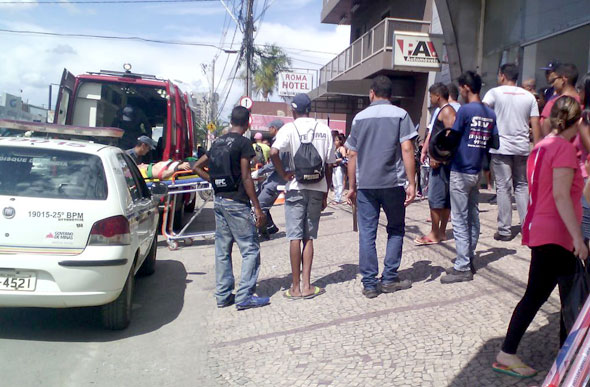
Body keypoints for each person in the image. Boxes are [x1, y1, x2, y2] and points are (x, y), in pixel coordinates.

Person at [494, 96, 587, 378]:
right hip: (557, 234)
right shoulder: (563, 150)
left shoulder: (541, 147)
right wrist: (578, 239)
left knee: (549, 295)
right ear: (578, 121)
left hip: (542, 229)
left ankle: (523, 354)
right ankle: (565, 362)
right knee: (570, 299)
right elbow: (560, 195)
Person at [345, 75, 417, 299]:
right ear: (391, 95)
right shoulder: (400, 114)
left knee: (367, 233)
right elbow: (407, 149)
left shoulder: (359, 118)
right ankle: (388, 279)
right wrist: (412, 182)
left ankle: (369, 283)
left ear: (372, 93)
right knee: (395, 229)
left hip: (366, 185)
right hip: (393, 183)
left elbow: (352, 154)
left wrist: (351, 186)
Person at [192, 106, 270, 311]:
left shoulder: (217, 142)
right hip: (237, 202)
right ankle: (244, 296)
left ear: (231, 121)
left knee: (222, 250)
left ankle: (223, 295)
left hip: (219, 201)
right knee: (250, 249)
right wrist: (257, 207)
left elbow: (196, 167)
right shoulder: (244, 143)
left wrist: (215, 182)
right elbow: (245, 176)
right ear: (248, 122)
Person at [270, 93, 335, 300]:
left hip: (295, 186)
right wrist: (326, 191)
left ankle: (295, 288)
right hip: (318, 188)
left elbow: (273, 152)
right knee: (309, 237)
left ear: (293, 110)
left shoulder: (289, 128)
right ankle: (308, 286)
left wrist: (282, 174)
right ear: (310, 109)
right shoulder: (324, 129)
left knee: (294, 237)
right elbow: (330, 163)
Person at [440, 71, 499, 284]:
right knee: (473, 217)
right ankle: (469, 257)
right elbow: (496, 144)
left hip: (460, 170)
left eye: (462, 88)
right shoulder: (490, 113)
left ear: (465, 87)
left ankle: (463, 266)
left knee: (459, 219)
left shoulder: (465, 111)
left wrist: (442, 147)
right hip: (477, 172)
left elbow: (452, 138)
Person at [482, 63, 541, 241]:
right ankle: (526, 227)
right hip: (522, 148)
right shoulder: (528, 96)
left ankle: (505, 230)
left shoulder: (493, 93)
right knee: (522, 187)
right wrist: (538, 149)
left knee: (503, 187)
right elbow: (535, 124)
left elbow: (483, 113)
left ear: (502, 76)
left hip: (500, 147)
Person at [415, 83, 456, 245]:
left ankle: (435, 232)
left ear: (437, 96)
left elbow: (451, 136)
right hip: (444, 163)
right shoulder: (445, 110)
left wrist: (438, 157)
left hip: (441, 164)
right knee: (444, 199)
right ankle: (441, 232)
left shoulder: (446, 111)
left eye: (431, 96)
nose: (430, 99)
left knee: (436, 198)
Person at [253, 119, 286, 239]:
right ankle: (266, 230)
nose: (268, 130)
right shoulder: (281, 140)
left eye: (270, 128)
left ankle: (262, 232)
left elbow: (274, 163)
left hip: (277, 180)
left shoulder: (280, 141)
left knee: (259, 206)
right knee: (261, 205)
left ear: (275, 128)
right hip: (275, 178)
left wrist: (259, 172)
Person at [331, 134, 347, 204]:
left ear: (340, 141)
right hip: (334, 167)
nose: (335, 142)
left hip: (339, 167)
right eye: (335, 140)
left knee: (339, 183)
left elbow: (344, 158)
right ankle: (336, 197)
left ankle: (338, 198)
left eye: (337, 140)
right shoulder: (335, 149)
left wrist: (336, 160)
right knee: (335, 183)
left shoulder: (342, 149)